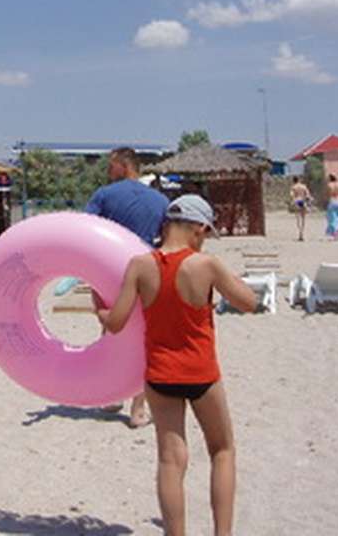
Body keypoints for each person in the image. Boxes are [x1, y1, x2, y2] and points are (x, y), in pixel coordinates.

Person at [97, 195, 256, 536]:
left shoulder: (139, 265)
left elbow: (115, 323)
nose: (205, 240)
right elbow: (248, 302)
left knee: (170, 459)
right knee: (222, 450)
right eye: (206, 233)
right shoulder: (206, 265)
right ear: (198, 227)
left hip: (160, 375)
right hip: (201, 374)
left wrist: (99, 307)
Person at [84, 147, 170, 427]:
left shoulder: (104, 195)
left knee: (110, 330)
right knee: (146, 338)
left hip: (112, 272)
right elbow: (167, 239)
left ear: (124, 165)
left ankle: (112, 398)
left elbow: (86, 230)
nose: (108, 172)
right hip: (148, 271)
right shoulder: (160, 200)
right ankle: (138, 409)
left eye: (111, 166)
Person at [289, 176, 312, 241]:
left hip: (297, 201)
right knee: (303, 219)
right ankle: (302, 233)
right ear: (299, 180)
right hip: (303, 201)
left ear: (293, 181)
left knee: (298, 218)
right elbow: (308, 195)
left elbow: (291, 195)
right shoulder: (304, 186)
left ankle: (300, 234)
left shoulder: (293, 187)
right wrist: (308, 202)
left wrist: (292, 201)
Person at [325, 173, 338, 240]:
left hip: (332, 201)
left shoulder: (329, 185)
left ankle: (334, 234)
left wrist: (326, 202)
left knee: (331, 219)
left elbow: (327, 195)